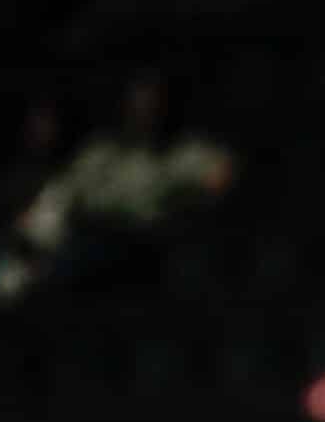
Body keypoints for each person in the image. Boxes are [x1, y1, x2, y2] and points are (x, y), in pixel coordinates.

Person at [15, 70, 233, 294]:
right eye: (138, 98)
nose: (145, 107)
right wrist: (35, 235)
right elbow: (61, 197)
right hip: (95, 246)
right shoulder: (99, 152)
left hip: (155, 251)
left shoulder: (186, 152)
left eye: (153, 99)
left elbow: (220, 180)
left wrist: (186, 202)